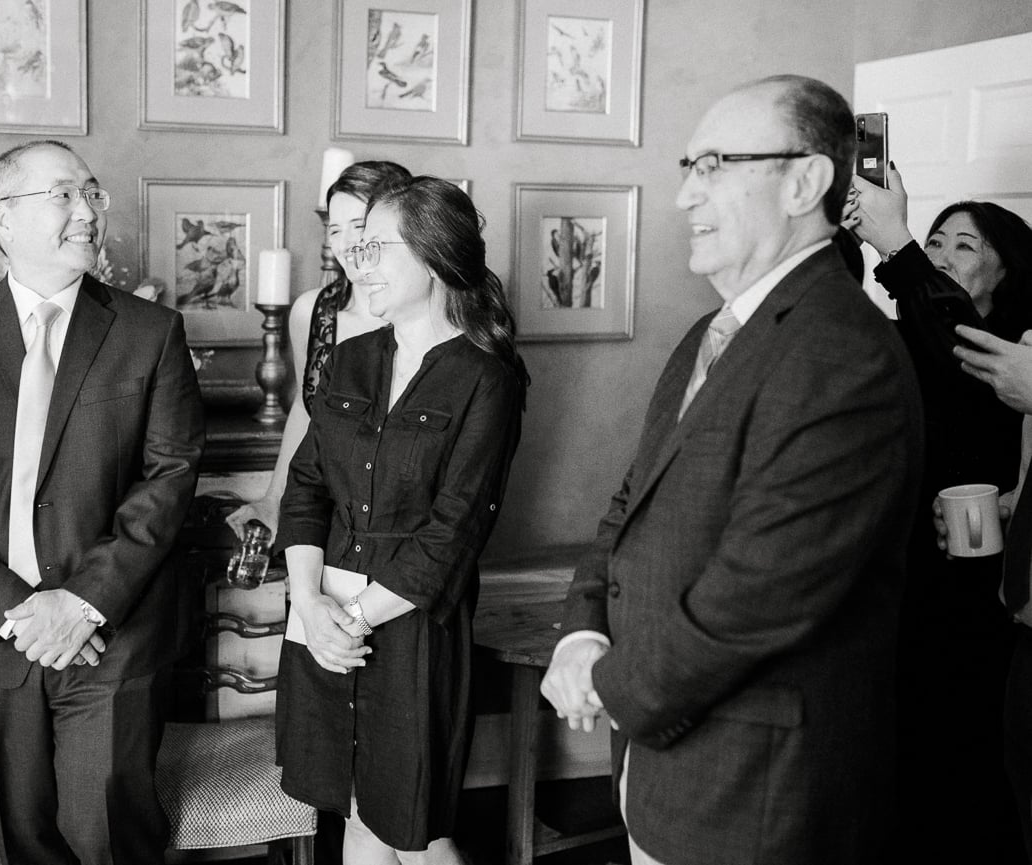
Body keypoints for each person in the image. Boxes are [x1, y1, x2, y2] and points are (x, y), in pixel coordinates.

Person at [540, 75, 924, 865]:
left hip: (757, 798)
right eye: (689, 166)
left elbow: (760, 592)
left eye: (713, 164)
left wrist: (608, 687)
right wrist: (582, 628)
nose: (686, 194)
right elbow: (629, 504)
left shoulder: (843, 352)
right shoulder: (706, 335)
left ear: (804, 181)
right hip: (664, 773)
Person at [0, 140, 205, 865]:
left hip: (112, 638)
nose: (87, 211)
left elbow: (170, 477)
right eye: (63, 194)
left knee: (112, 844)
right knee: (26, 845)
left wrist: (81, 602)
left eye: (91, 194)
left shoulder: (150, 333)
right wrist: (18, 611)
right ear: (4, 219)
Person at [274, 176, 528, 864]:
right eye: (355, 247)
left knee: (413, 827)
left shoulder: (487, 380)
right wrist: (310, 604)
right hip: (322, 618)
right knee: (357, 811)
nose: (358, 263)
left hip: (410, 626)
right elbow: (304, 492)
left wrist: (349, 620)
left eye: (377, 247)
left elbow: (453, 532)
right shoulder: (350, 359)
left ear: (436, 257)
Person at [846, 169, 1032, 863]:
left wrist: (898, 248)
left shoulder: (1014, 353)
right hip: (909, 564)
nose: (946, 255)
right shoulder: (909, 334)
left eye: (966, 247)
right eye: (937, 241)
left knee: (977, 741)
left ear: (1004, 273)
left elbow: (953, 329)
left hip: (990, 576)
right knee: (907, 729)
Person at [225, 160, 412, 539]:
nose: (345, 244)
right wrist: (274, 499)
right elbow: (305, 410)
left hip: (402, 527)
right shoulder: (312, 311)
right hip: (322, 518)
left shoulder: (427, 316)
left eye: (359, 227)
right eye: (334, 229)